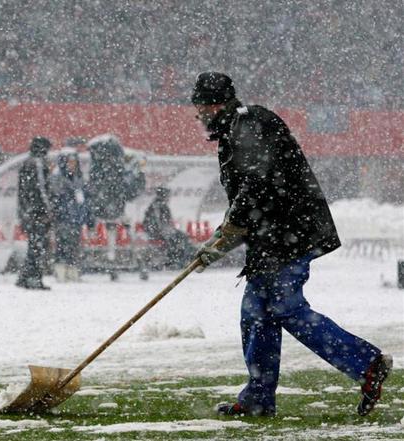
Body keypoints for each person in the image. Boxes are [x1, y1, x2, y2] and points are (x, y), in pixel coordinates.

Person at [190, 72, 392, 417]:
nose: (199, 116)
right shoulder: (236, 130)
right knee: (256, 315)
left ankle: (367, 363)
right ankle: (257, 400)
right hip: (272, 238)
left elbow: (255, 185)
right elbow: (247, 194)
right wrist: (223, 237)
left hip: (288, 235)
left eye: (200, 109)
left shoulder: (248, 126)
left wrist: (229, 232)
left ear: (213, 104)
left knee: (284, 308)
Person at [16, 136, 53, 290]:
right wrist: (47, 209)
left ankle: (25, 276)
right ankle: (33, 277)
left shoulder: (26, 163)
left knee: (34, 245)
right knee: (38, 246)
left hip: (28, 211)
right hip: (37, 212)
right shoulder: (37, 164)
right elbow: (41, 190)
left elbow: (23, 191)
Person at [50, 148, 88, 282]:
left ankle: (72, 272)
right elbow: (55, 197)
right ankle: (61, 272)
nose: (72, 165)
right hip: (62, 218)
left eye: (74, 162)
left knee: (74, 246)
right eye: (70, 162)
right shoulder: (57, 178)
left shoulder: (79, 178)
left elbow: (84, 199)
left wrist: (84, 217)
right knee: (62, 245)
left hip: (75, 219)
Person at [141, 186, 195, 269]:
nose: (168, 198)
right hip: (158, 232)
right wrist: (165, 230)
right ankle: (178, 260)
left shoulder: (155, 205)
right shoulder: (160, 206)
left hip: (156, 231)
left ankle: (177, 259)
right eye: (167, 195)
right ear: (164, 195)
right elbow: (160, 222)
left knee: (179, 237)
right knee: (181, 238)